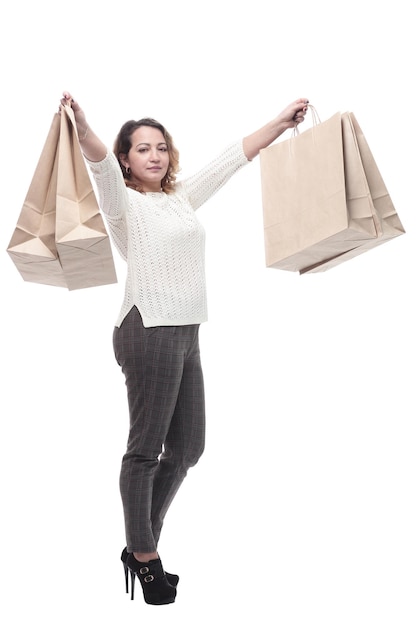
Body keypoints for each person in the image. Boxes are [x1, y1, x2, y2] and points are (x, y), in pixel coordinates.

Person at [59, 91, 308, 605]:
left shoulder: (179, 198)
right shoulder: (122, 201)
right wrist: (82, 123)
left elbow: (230, 159)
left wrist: (280, 123)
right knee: (145, 450)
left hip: (188, 330)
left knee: (189, 447)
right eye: (142, 149)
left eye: (161, 148)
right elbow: (98, 159)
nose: (154, 156)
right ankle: (146, 556)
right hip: (147, 328)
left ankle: (139, 542)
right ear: (128, 158)